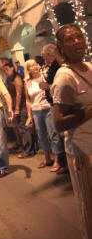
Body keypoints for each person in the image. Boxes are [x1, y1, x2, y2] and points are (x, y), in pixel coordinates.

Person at [52, 24, 92, 239]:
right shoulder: (64, 77)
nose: (77, 41)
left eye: (79, 36)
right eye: (70, 39)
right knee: (90, 213)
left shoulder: (89, 67)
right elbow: (58, 124)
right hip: (84, 153)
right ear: (61, 48)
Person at [24, 60, 63, 171]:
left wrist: (47, 93)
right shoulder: (27, 82)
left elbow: (53, 88)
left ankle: (57, 160)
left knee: (52, 134)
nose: (35, 67)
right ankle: (47, 158)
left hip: (47, 108)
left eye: (36, 64)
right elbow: (28, 100)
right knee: (41, 135)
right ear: (28, 69)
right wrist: (29, 116)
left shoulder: (45, 76)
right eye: (31, 66)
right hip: (36, 110)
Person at [38, 44, 68, 174]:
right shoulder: (54, 66)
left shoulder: (58, 67)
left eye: (44, 56)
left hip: (59, 105)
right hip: (55, 103)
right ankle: (64, 163)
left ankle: (64, 163)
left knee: (61, 134)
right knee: (59, 135)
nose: (44, 58)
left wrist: (46, 86)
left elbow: (57, 86)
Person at [3, 61, 36, 158]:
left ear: (12, 68)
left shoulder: (17, 78)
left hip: (22, 107)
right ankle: (26, 147)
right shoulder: (10, 78)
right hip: (16, 106)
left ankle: (28, 150)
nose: (5, 72)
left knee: (24, 128)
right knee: (21, 128)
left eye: (7, 69)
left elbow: (19, 94)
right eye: (4, 70)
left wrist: (17, 108)